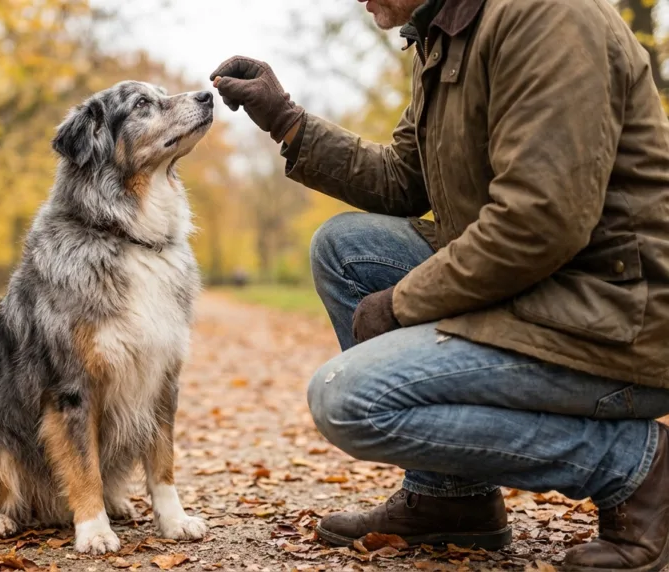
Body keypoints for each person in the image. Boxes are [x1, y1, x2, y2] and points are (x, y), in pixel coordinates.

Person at [210, 0, 669, 569]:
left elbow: (539, 223)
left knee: (349, 401)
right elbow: (403, 180)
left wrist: (403, 303)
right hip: (538, 290)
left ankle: (635, 468)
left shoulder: (546, 16)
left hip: (615, 318)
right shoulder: (446, 33)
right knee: (347, 248)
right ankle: (450, 499)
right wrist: (287, 119)